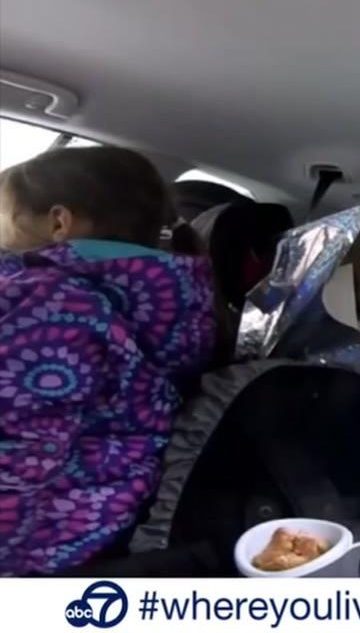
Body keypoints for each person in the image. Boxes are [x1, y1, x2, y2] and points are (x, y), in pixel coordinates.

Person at [0, 146, 218, 575]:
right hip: (100, 519)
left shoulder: (51, 301)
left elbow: (17, 452)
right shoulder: (173, 298)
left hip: (35, 542)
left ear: (58, 221)